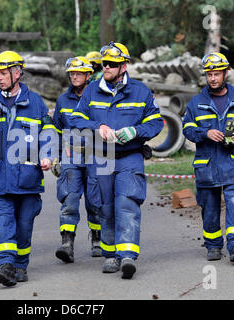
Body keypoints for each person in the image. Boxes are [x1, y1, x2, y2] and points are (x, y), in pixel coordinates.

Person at [70, 42, 164, 279]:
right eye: (104, 64)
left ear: (124, 65)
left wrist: (136, 132)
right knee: (104, 207)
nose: (107, 67)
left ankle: (128, 255)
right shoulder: (91, 91)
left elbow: (156, 123)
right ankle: (110, 254)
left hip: (129, 157)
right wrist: (96, 126)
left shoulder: (141, 91)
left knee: (127, 204)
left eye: (112, 64)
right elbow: (76, 119)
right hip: (101, 157)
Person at [0, 50, 57, 286]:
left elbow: (48, 132)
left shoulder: (36, 103)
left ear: (17, 73)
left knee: (24, 224)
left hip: (28, 179)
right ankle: (6, 264)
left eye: (3, 73)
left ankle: (20, 265)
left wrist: (48, 155)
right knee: (4, 220)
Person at [182, 52, 234, 263]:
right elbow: (187, 128)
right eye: (209, 74)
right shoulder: (196, 103)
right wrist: (204, 133)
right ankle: (213, 245)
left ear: (226, 73)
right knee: (210, 208)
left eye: (217, 74)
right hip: (208, 165)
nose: (213, 78)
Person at [51, 56, 102, 263]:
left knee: (95, 200)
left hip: (96, 155)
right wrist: (55, 156)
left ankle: (97, 239)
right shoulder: (63, 100)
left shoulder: (99, 97)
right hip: (71, 156)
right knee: (69, 200)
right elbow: (55, 130)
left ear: (88, 75)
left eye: (78, 73)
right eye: (71, 73)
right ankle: (67, 243)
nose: (74, 77)